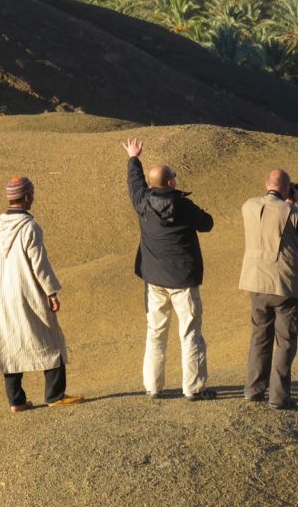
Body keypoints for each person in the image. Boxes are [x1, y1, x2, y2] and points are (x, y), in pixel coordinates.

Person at [123, 137, 217, 401]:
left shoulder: (142, 202)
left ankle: (153, 387)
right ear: (172, 183)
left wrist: (133, 158)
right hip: (183, 281)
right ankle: (194, 388)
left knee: (155, 332)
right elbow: (207, 223)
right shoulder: (182, 206)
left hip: (154, 280)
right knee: (190, 334)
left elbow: (135, 183)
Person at [0, 175, 83, 412]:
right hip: (27, 290)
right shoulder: (29, 227)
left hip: (2, 293)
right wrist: (51, 292)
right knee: (51, 338)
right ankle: (55, 395)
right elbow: (39, 264)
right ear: (27, 197)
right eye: (32, 195)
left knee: (9, 341)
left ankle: (16, 401)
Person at [239, 169, 298, 410]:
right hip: (285, 285)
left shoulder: (248, 206)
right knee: (285, 341)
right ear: (286, 188)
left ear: (266, 184)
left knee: (259, 338)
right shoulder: (290, 211)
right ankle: (279, 397)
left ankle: (253, 390)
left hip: (256, 282)